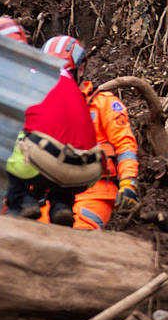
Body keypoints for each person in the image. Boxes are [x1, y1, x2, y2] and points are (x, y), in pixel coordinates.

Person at [0, 16, 102, 227]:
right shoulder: (62, 75)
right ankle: (61, 205)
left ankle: (20, 199)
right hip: (90, 169)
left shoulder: (11, 72)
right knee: (47, 136)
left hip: (47, 161)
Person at [42, 36, 139, 229]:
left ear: (81, 69)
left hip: (95, 192)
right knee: (29, 233)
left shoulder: (103, 103)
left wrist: (128, 183)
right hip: (49, 193)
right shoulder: (40, 105)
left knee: (78, 233)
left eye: (65, 73)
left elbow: (125, 145)